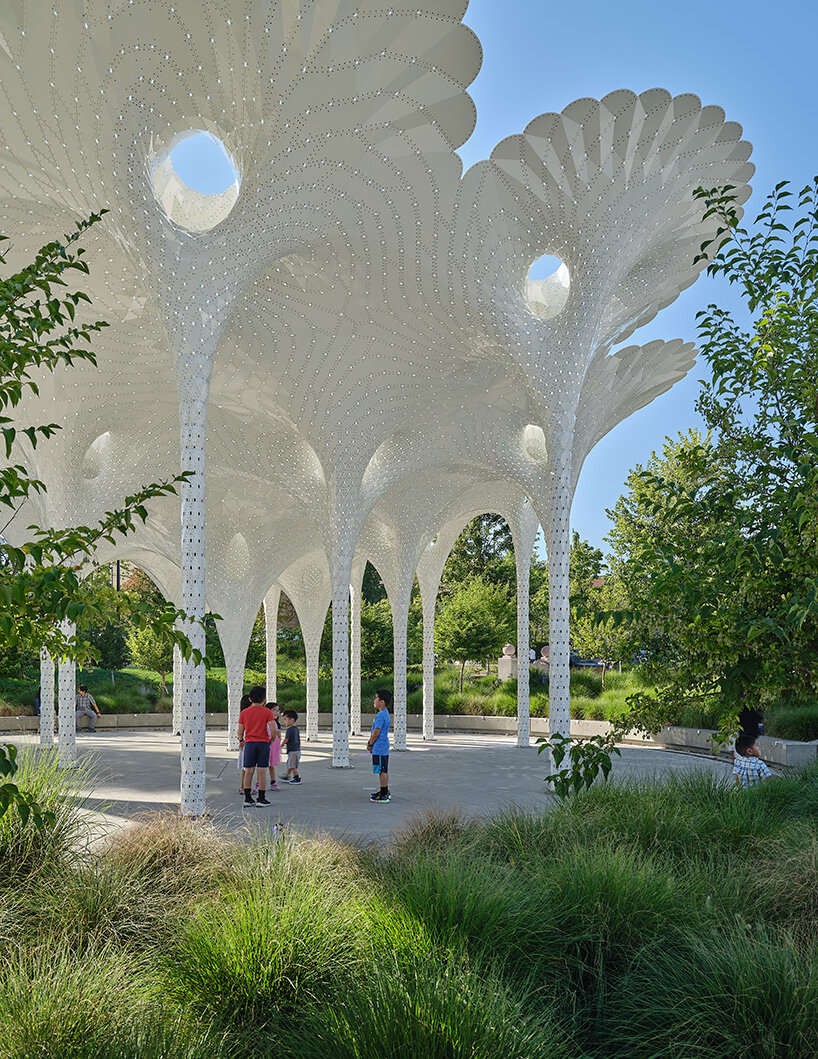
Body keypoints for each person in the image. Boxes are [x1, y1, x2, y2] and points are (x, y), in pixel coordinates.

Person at [238, 686, 274, 807]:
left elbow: (240, 730)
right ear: (264, 699)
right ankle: (261, 798)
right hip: (263, 743)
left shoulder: (244, 713)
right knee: (262, 771)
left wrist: (241, 739)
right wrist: (271, 740)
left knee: (248, 770)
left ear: (249, 699)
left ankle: (247, 798)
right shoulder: (267, 712)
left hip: (249, 743)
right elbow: (273, 729)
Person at [366, 689, 392, 803]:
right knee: (382, 770)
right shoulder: (384, 714)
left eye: (376, 698)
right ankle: (383, 790)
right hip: (381, 747)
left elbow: (376, 732)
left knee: (382, 770)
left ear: (382, 702)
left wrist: (369, 743)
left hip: (380, 747)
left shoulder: (381, 715)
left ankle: (384, 793)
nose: (374, 700)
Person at [281, 709, 301, 783]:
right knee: (290, 764)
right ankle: (286, 775)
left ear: (292, 720)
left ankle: (297, 779)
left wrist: (281, 745)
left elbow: (286, 739)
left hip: (293, 751)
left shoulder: (290, 730)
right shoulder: (296, 729)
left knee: (292, 766)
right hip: (296, 750)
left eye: (285, 719)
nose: (284, 721)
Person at [267, 701, 282, 791]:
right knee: (262, 766)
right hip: (266, 744)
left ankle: (273, 782)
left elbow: (279, 735)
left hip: (273, 746)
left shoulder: (276, 723)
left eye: (278, 710)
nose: (277, 712)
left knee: (271, 765)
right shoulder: (265, 722)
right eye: (274, 710)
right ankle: (258, 783)